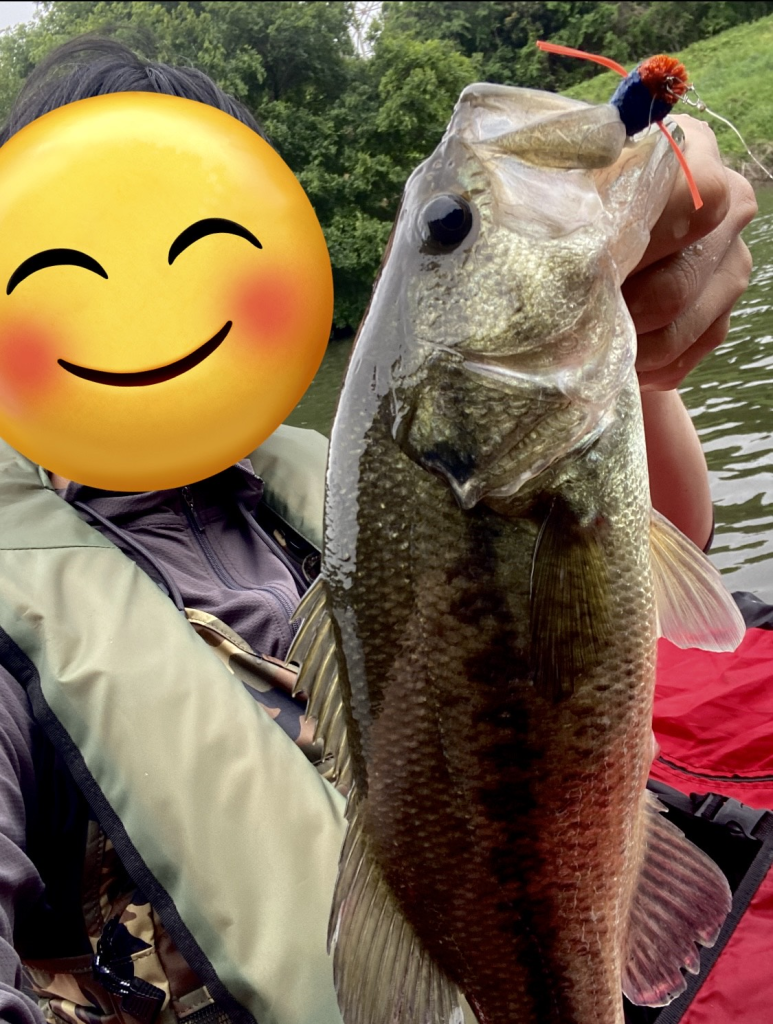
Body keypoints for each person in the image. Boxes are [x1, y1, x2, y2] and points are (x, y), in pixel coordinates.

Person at [0, 36, 758, 1024]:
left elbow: (667, 543)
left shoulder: (362, 469)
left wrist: (639, 363)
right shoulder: (15, 622)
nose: (141, 303)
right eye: (75, 265)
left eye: (193, 248)